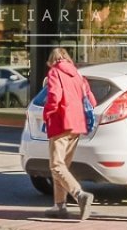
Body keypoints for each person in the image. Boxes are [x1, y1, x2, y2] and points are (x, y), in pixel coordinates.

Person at [40, 47, 95, 220]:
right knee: (62, 166)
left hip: (61, 123)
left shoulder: (55, 72)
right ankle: (59, 205)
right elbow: (91, 100)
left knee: (56, 165)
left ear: (52, 60)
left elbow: (54, 96)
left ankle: (80, 195)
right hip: (77, 125)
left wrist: (46, 113)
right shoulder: (77, 74)